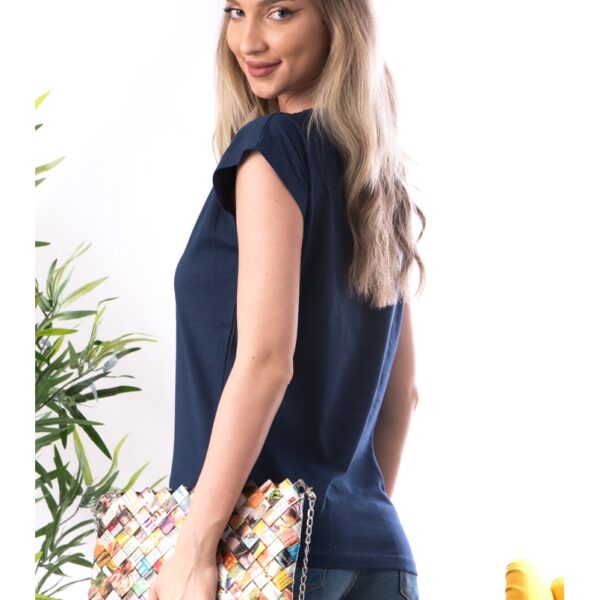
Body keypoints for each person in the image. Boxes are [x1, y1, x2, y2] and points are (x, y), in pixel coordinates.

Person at [149, 0, 426, 598]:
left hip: (256, 558)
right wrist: (346, 528)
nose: (249, 39)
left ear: (338, 22)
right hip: (379, 553)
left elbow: (266, 361)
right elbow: (402, 394)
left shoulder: (272, 148)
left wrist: (194, 552)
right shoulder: (380, 180)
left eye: (279, 12)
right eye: (235, 11)